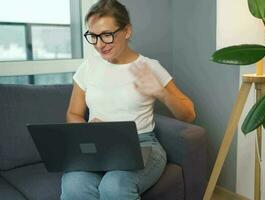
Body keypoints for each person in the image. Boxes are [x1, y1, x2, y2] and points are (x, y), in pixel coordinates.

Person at [60, 0, 196, 199]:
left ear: (127, 31)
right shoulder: (88, 67)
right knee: (73, 184)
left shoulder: (149, 67)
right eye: (93, 36)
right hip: (97, 145)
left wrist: (161, 93)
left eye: (106, 35)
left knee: (114, 187)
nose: (99, 44)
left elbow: (189, 115)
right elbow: (73, 113)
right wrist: (88, 131)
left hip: (142, 144)